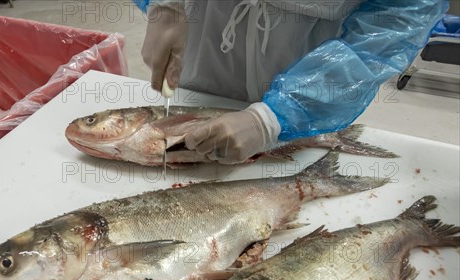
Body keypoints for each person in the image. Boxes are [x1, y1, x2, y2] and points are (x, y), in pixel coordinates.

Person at [136, 0, 448, 164]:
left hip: (309, 73)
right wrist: (166, 5)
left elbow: (396, 22)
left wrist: (277, 117)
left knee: (285, 170)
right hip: (205, 46)